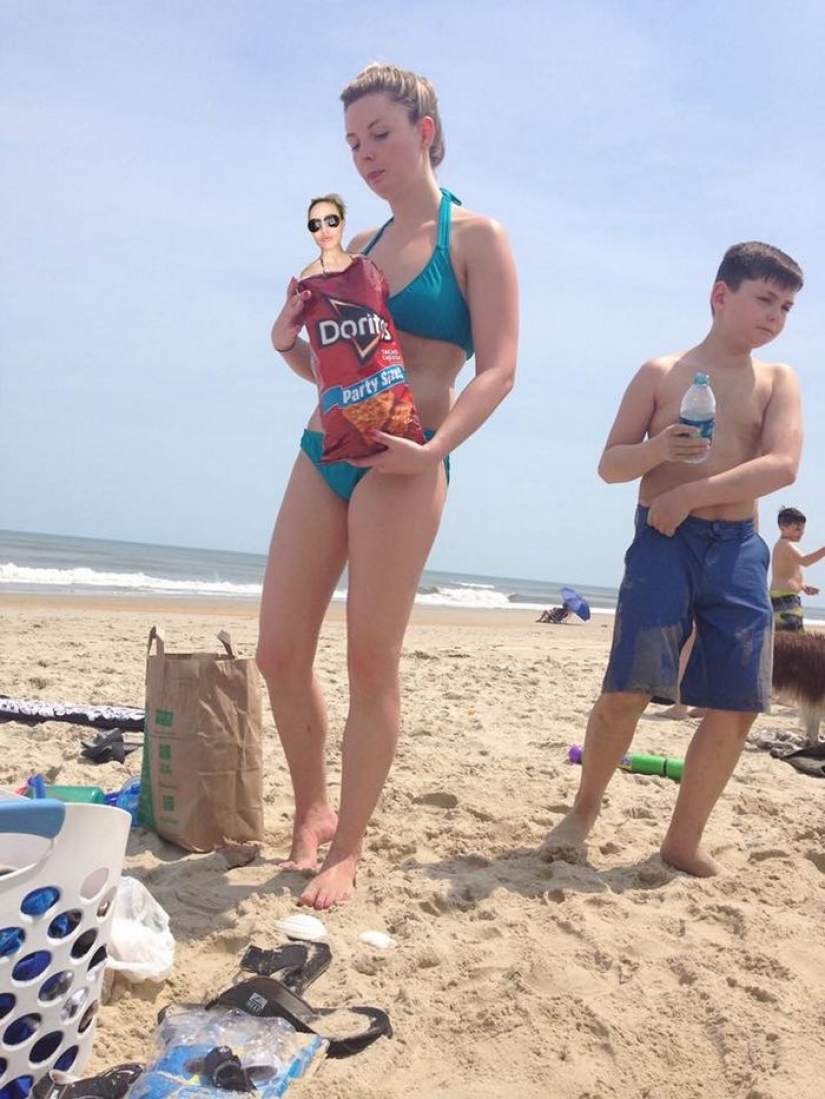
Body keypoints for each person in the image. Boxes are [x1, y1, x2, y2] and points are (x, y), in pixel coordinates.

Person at [257, 63, 519, 909]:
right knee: (278, 652)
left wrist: (434, 447)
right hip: (324, 448)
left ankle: (350, 848)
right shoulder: (352, 251)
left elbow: (501, 369)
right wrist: (288, 338)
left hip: (408, 461)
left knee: (371, 658)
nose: (364, 154)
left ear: (425, 132)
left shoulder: (473, 237)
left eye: (379, 134)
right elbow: (327, 373)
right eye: (352, 142)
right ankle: (312, 808)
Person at [542, 241, 804, 877]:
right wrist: (660, 448)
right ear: (721, 295)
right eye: (765, 299)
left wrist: (692, 493)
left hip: (740, 546)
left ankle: (681, 841)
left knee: (739, 702)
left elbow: (782, 465)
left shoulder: (776, 380)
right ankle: (582, 811)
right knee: (631, 687)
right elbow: (610, 465)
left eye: (787, 306)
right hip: (664, 544)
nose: (776, 316)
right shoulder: (662, 372)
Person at [769, 506, 825, 632]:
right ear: (782, 528)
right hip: (784, 598)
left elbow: (787, 573)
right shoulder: (785, 544)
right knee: (790, 636)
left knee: (794, 635)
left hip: (788, 596)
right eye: (797, 529)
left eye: (802, 529)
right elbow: (805, 561)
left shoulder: (786, 545)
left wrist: (802, 586)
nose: (801, 533)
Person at [299, 193, 351, 278]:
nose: (324, 231)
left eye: (331, 221)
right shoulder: (308, 277)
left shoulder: (364, 264)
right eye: (315, 225)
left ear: (343, 224)